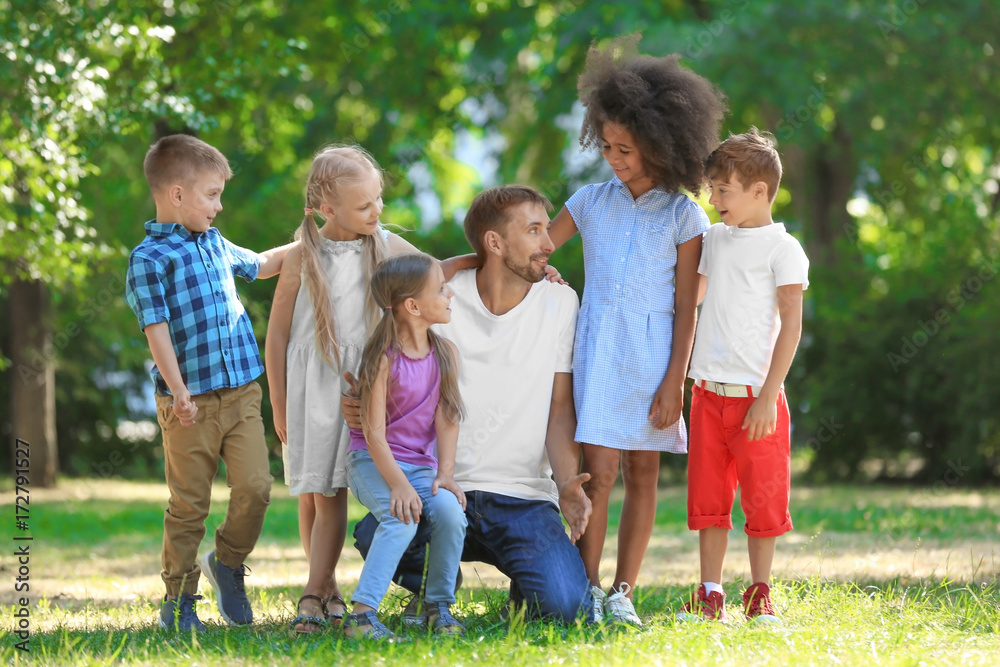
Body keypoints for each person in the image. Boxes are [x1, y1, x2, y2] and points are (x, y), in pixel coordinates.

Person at [543, 35, 727, 625]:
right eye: (607, 146)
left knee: (644, 469)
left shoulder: (684, 214)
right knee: (599, 473)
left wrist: (676, 381)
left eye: (625, 148)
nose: (614, 158)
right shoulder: (591, 200)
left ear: (661, 143)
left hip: (655, 358)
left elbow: (687, 305)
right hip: (597, 350)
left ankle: (622, 592)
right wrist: (530, 262)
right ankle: (588, 589)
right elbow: (537, 243)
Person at [349, 185, 594, 624]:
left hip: (521, 498)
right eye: (534, 230)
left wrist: (566, 483)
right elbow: (399, 307)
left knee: (567, 608)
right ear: (494, 243)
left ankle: (527, 579)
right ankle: (437, 587)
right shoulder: (443, 299)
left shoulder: (561, 302)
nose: (549, 243)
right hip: (442, 488)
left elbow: (559, 409)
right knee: (377, 531)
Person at [125, 134, 292, 632]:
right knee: (188, 505)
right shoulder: (149, 259)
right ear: (177, 194)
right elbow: (156, 330)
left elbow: (261, 266)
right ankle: (178, 601)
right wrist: (178, 392)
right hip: (188, 402)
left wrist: (313, 240)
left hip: (241, 391)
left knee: (257, 488)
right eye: (212, 194)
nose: (219, 206)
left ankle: (229, 562)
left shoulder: (216, 244)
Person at [264, 145, 423, 633]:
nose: (376, 211)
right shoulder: (301, 256)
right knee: (312, 491)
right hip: (309, 386)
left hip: (357, 388)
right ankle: (326, 586)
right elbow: (276, 335)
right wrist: (278, 402)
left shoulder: (387, 246)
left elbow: (439, 271)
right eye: (364, 205)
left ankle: (312, 595)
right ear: (325, 208)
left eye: (378, 200)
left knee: (330, 492)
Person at [677, 127, 809, 624]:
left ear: (760, 192)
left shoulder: (784, 249)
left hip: (759, 399)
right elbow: (693, 299)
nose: (713, 199)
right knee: (709, 500)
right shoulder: (714, 239)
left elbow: (791, 327)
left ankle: (760, 594)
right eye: (711, 188)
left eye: (723, 190)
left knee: (763, 500)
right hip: (708, 394)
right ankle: (710, 592)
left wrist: (768, 396)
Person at [342, 253, 468, 641]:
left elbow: (448, 417)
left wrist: (445, 475)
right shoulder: (382, 359)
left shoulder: (445, 353)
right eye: (441, 289)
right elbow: (373, 434)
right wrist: (398, 484)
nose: (450, 295)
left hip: (421, 467)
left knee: (450, 513)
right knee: (401, 518)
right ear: (413, 306)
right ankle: (361, 617)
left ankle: (437, 605)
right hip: (373, 462)